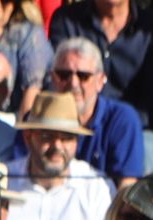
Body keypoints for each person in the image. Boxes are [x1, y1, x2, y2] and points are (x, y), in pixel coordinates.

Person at [5, 90, 113, 220]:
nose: (57, 146)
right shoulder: (4, 179)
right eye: (47, 137)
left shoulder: (96, 187)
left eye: (66, 138)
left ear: (77, 142)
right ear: (28, 138)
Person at [48, 0, 153, 131]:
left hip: (133, 127)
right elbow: (57, 79)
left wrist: (122, 126)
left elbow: (151, 98)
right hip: (73, 123)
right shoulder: (67, 20)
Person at [49, 38, 144, 187]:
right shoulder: (37, 119)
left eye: (83, 76)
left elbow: (126, 188)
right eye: (64, 75)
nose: (73, 83)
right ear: (53, 78)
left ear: (100, 81)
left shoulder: (122, 120)